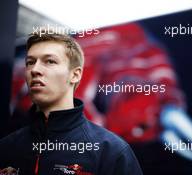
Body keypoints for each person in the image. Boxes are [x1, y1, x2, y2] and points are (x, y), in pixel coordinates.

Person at [0, 29, 143, 175]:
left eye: (50, 61)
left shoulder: (111, 152)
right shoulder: (5, 148)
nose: (35, 69)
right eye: (30, 62)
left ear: (75, 75)